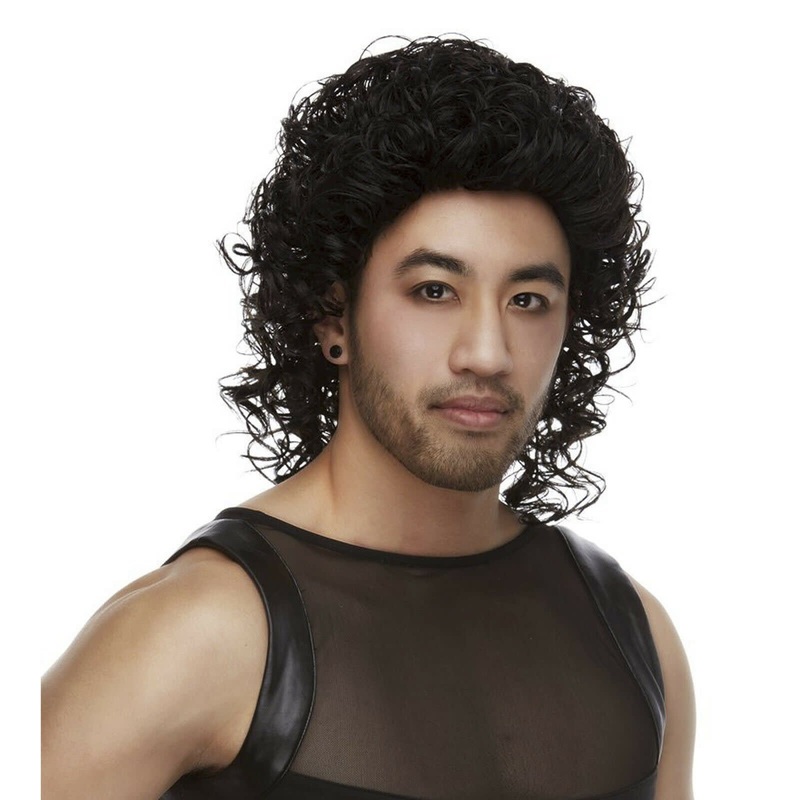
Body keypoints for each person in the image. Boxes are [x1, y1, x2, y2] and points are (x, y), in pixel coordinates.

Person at [41, 36, 696, 800]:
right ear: (334, 317)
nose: (487, 353)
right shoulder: (196, 634)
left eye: (528, 300)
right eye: (433, 291)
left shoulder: (634, 634)